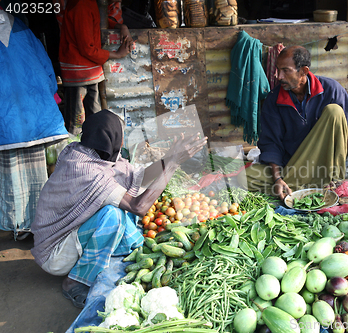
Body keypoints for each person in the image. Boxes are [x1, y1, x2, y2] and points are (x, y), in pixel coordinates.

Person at [30, 110, 207, 309]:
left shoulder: (89, 153)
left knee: (120, 216)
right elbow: (138, 206)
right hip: (55, 254)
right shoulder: (88, 172)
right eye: (121, 136)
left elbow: (139, 176)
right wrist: (173, 165)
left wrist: (170, 158)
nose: (122, 142)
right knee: (113, 216)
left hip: (70, 234)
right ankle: (74, 282)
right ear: (111, 140)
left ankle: (109, 253)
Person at [239, 46, 348, 200]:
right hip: (295, 166)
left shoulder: (332, 89)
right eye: (277, 70)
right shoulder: (273, 99)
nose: (278, 76)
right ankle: (306, 185)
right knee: (242, 178)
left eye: (285, 70)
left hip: (326, 166)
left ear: (303, 71)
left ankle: (328, 182)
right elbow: (271, 144)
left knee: (334, 111)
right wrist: (277, 179)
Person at [0, 9, 68, 239]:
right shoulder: (22, 28)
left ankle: (18, 227)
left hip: (6, 124)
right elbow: (47, 71)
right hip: (36, 117)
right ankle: (38, 224)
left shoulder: (23, 27)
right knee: (37, 176)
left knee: (11, 177)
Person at [58, 0, 133, 135]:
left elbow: (97, 22)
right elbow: (87, 48)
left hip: (89, 71)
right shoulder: (81, 5)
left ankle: (96, 150)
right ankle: (77, 153)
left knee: (95, 118)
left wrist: (121, 26)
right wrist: (116, 54)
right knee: (77, 123)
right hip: (79, 72)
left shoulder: (89, 4)